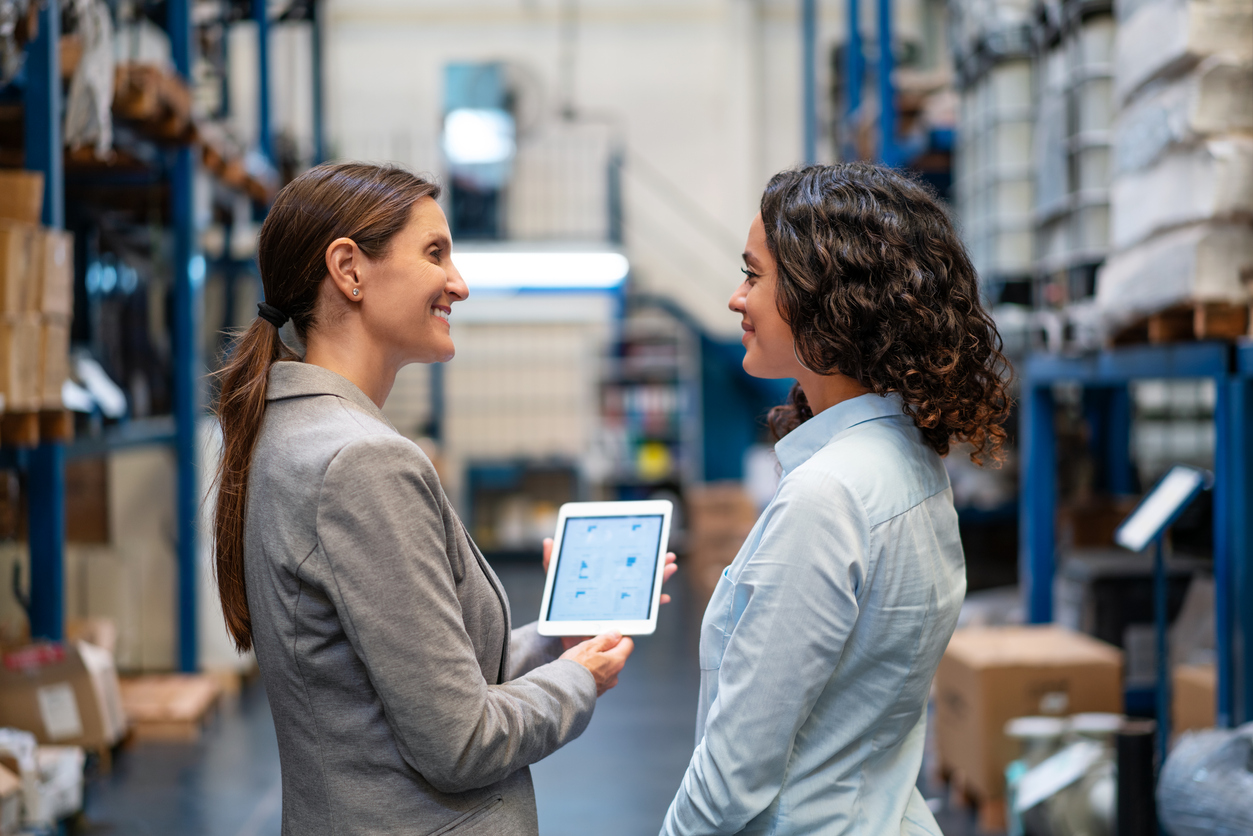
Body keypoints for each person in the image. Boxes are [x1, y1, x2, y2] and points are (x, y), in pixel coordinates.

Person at [211, 162, 663, 835]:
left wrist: (555, 638)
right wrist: (580, 678)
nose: (459, 283)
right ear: (349, 270)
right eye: (434, 254)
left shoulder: (290, 430)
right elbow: (460, 743)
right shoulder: (363, 463)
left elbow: (416, 679)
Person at [660, 163, 1012, 835]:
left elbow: (733, 778)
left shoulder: (825, 497)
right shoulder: (905, 459)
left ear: (824, 298)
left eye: (753, 275)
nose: (735, 299)